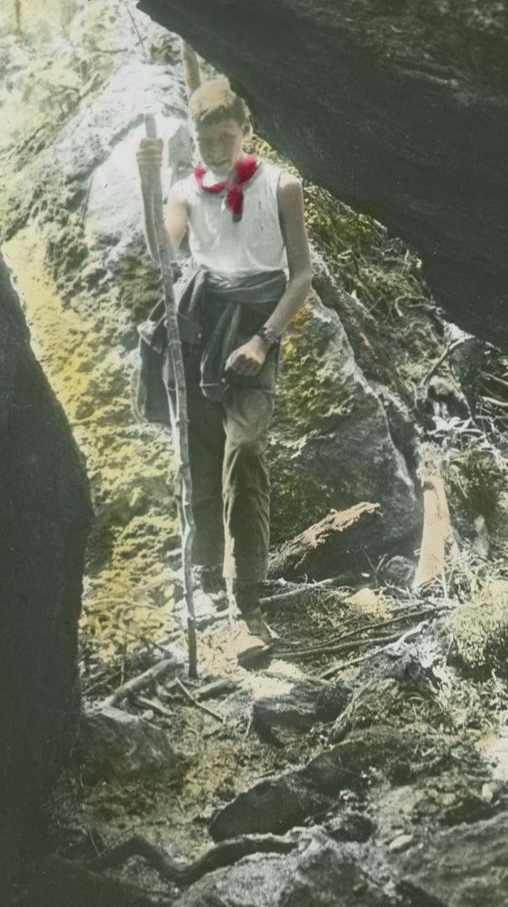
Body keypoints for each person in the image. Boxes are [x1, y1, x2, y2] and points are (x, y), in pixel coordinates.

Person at [136, 77, 312, 651]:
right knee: (201, 448)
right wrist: (149, 181)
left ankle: (250, 593)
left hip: (256, 323)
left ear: (247, 134)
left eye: (226, 138)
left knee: (245, 452)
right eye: (206, 140)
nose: (216, 150)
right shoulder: (186, 192)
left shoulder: (281, 187)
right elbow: (164, 255)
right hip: (203, 321)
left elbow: (302, 275)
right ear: (194, 139)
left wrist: (264, 340)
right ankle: (207, 580)